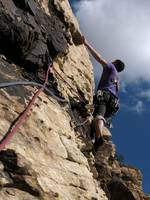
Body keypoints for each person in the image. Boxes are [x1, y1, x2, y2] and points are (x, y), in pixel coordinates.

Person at [83, 36, 125, 152]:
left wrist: (86, 44)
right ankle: (94, 141)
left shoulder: (111, 67)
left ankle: (99, 137)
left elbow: (100, 58)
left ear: (115, 63)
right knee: (98, 120)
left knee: (98, 116)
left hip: (105, 95)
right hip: (114, 103)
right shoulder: (117, 79)